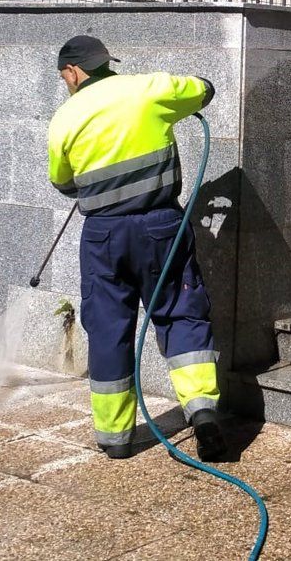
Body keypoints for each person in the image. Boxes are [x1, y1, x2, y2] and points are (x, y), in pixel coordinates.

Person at [45, 34, 226, 461]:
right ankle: (201, 409)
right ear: (105, 64)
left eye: (65, 77)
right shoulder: (148, 89)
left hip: (104, 235)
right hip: (162, 225)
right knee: (181, 312)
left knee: (109, 327)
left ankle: (115, 437)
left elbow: (63, 182)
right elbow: (205, 89)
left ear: (72, 72)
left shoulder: (64, 118)